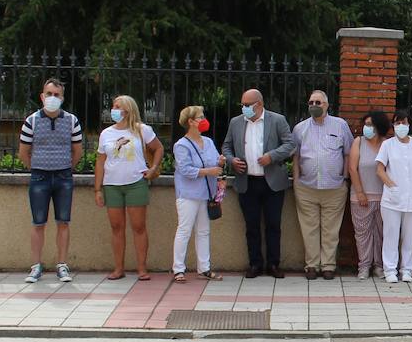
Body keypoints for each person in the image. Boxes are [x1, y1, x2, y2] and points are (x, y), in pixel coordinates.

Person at [223, 88, 296, 279]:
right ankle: (255, 264)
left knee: (273, 224)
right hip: (247, 182)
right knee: (251, 225)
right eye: (242, 105)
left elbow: (290, 144)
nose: (244, 109)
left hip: (272, 182)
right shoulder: (236, 122)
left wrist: (272, 156)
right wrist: (232, 161)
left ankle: (273, 264)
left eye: (247, 105)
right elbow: (226, 146)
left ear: (260, 104)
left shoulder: (277, 120)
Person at [19, 78, 83, 283]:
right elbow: (23, 152)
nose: (52, 98)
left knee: (63, 222)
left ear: (62, 98)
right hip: (39, 176)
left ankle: (62, 265)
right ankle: (36, 266)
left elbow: (78, 151)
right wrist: (36, 167)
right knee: (38, 223)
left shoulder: (72, 120)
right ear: (42, 96)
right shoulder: (32, 121)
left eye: (56, 95)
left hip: (63, 176)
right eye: (49, 94)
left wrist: (67, 167)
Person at [94, 95, 162, 281]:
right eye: (113, 106)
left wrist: (153, 168)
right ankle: (118, 269)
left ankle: (142, 268)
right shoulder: (106, 134)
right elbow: (100, 161)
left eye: (118, 107)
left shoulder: (142, 130)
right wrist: (98, 189)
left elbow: (158, 148)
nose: (114, 110)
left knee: (138, 226)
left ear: (128, 110)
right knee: (116, 227)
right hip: (112, 185)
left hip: (136, 183)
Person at [292, 90, 354, 280]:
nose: (314, 105)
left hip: (335, 187)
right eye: (311, 102)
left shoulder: (340, 125)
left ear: (326, 105)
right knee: (308, 228)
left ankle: (328, 266)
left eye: (318, 102)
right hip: (306, 187)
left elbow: (348, 153)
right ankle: (311, 265)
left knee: (331, 229)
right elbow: (296, 156)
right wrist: (296, 181)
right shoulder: (300, 128)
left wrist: (344, 178)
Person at [171, 105, 225, 283]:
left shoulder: (208, 142)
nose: (204, 120)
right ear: (191, 122)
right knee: (184, 230)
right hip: (188, 194)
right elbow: (186, 170)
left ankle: (204, 268)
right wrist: (209, 171)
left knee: (203, 231)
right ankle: (178, 269)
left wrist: (221, 162)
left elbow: (215, 160)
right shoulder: (181, 145)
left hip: (207, 193)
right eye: (200, 117)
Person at [375, 110, 412, 283]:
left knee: (409, 235)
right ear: (393, 126)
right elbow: (380, 169)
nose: (401, 126)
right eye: (397, 123)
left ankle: (407, 270)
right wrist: (391, 186)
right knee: (391, 234)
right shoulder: (387, 145)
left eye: (404, 122)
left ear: (409, 124)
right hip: (392, 197)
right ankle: (390, 269)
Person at [347, 112, 391, 280]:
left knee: (381, 232)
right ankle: (364, 266)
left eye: (371, 124)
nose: (367, 128)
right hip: (360, 197)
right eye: (366, 124)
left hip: (384, 197)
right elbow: (352, 168)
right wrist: (360, 192)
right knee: (362, 233)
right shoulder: (359, 142)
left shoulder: (387, 144)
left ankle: (379, 266)